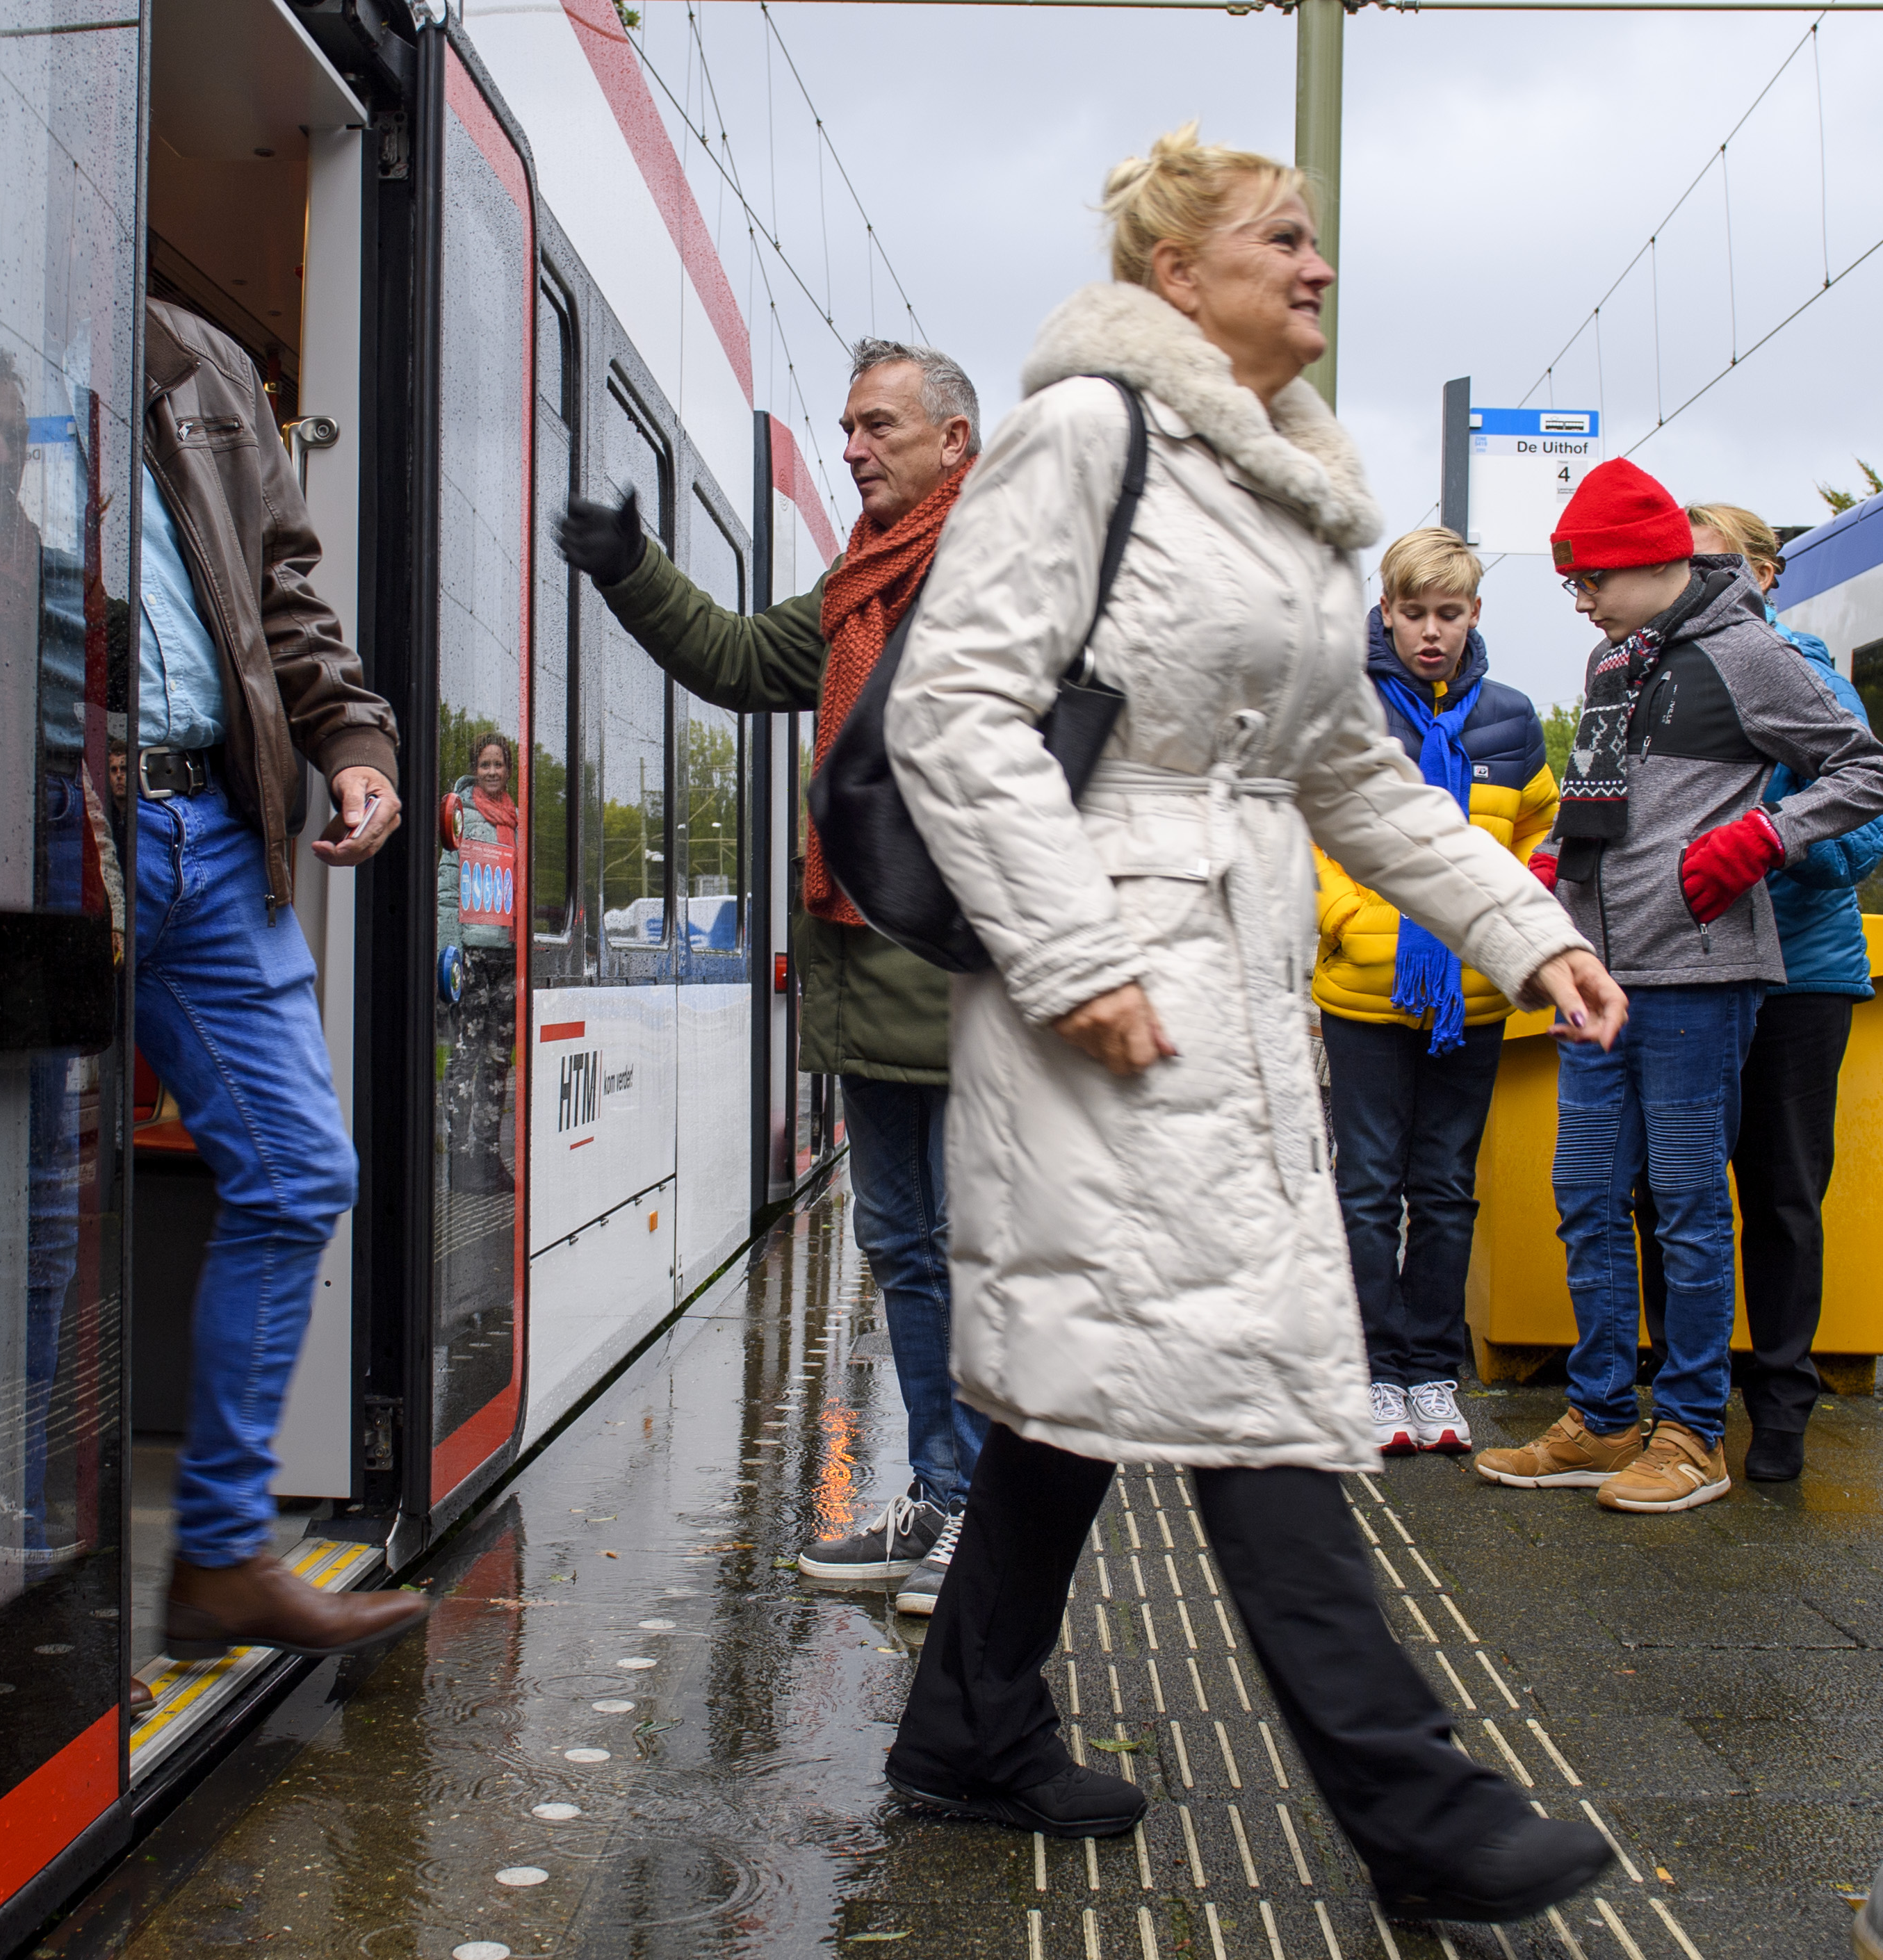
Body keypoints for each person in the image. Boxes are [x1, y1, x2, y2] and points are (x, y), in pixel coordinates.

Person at [877, 124, 1624, 1923]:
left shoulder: (1284, 496)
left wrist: (1521, 930)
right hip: (1116, 986)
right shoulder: (1086, 432)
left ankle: (965, 1729)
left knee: (1098, 1364)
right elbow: (952, 706)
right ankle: (1413, 1806)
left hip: (1216, 974)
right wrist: (1073, 960)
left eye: (1314, 240)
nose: (1312, 264)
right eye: (1275, 238)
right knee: (1252, 1370)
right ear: (1172, 276)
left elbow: (1347, 769)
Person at [558, 339, 989, 1615]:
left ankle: (981, 1517)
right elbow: (742, 661)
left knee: (970, 1253)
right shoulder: (859, 585)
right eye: (846, 427)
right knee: (905, 1246)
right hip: (865, 957)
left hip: (961, 962)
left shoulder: (999, 569)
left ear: (954, 441)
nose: (851, 448)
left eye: (877, 427)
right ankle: (944, 1491)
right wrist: (632, 571)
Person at [1475, 462, 1883, 1514]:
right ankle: (1605, 1417)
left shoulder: (1751, 655)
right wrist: (1547, 881)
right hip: (1596, 979)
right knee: (1585, 1200)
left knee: (1692, 1209)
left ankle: (1692, 1434)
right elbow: (1598, 802)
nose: (1578, 602)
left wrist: (1764, 835)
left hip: (1702, 976)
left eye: (1587, 580)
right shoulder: (1612, 660)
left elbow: (1861, 771)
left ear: (1649, 562)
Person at [133, 297, 430, 1660]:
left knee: (301, 1171)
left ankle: (219, 1554)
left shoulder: (193, 360)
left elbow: (284, 591)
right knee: (25, 1207)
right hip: (38, 822)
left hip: (210, 822)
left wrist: (353, 743)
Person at [1624, 504, 1883, 1485]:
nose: (1694, 583)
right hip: (1689, 968)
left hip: (1795, 978)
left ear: (1765, 575)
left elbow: (1861, 834)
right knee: (1668, 1191)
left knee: (1777, 1195)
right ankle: (1681, 1405)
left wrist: (1763, 842)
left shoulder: (1805, 676)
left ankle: (1778, 1409)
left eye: (1715, 565)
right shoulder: (1656, 672)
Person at [1312, 529, 1556, 1455]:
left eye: (1445, 614)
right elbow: (1301, 818)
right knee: (1368, 1185)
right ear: (1383, 612)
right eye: (1411, 613)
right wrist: (1341, 916)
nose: (1427, 632)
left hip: (1475, 991)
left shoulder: (1508, 719)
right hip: (1363, 991)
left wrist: (1516, 897)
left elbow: (1534, 822)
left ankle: (1428, 1374)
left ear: (1472, 617)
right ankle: (1371, 1374)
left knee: (1445, 1188)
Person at [437, 730, 521, 1195]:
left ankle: (487, 1155)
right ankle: (459, 1159)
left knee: (497, 1057)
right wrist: (448, 954)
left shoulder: (515, 819)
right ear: (476, 768)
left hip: (507, 954)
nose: (492, 772)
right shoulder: (460, 814)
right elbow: (447, 887)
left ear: (508, 770)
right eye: (484, 764)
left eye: (499, 765)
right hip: (470, 950)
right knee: (467, 1052)